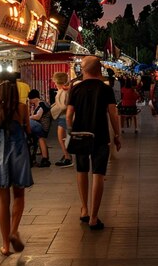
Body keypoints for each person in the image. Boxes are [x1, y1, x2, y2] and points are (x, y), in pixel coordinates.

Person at [66, 56, 121, 230]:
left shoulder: (75, 89)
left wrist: (71, 130)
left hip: (80, 135)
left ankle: (84, 209)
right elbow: (113, 114)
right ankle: (94, 217)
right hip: (100, 135)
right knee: (98, 173)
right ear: (100, 70)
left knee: (81, 170)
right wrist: (117, 135)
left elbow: (68, 116)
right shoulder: (106, 89)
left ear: (84, 70)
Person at [0, 80, 33, 257]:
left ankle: (5, 245)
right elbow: (28, 129)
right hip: (18, 151)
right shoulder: (22, 108)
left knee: (2, 199)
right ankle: (14, 231)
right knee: (19, 194)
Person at [50, 72, 73, 168]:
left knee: (61, 138)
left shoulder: (63, 91)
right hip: (64, 116)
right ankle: (66, 154)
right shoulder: (65, 90)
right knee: (64, 138)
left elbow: (63, 106)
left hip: (64, 116)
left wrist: (56, 105)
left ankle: (67, 156)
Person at [27, 89, 52, 167]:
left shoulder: (41, 105)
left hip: (42, 126)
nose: (30, 101)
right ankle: (45, 158)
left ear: (33, 98)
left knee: (40, 139)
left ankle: (45, 159)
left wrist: (29, 117)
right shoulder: (40, 104)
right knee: (41, 140)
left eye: (30, 99)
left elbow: (38, 117)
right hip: (42, 126)